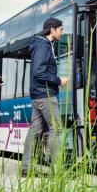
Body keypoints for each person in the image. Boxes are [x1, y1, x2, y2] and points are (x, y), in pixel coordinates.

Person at [21, 16, 68, 177]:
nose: (62, 32)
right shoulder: (43, 46)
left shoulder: (44, 44)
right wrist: (58, 80)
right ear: (52, 29)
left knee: (35, 131)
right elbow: (38, 72)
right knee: (57, 129)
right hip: (45, 94)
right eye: (60, 29)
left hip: (38, 94)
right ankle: (58, 169)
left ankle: (26, 167)